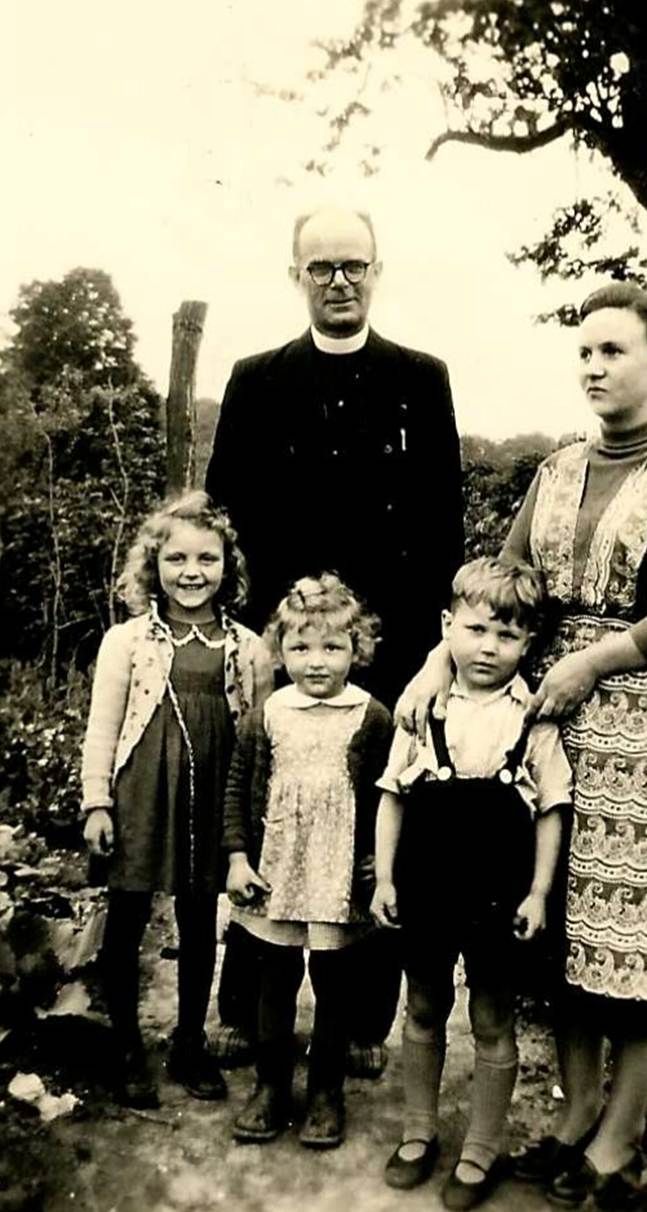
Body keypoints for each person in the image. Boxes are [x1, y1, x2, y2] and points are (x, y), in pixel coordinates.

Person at [397, 284, 647, 1210]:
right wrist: (433, 665)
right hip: (547, 714)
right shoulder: (554, 470)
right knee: (560, 923)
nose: (592, 367)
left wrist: (593, 662)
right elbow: (505, 588)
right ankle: (575, 1108)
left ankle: (617, 1140)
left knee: (636, 935)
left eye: (612, 351)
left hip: (645, 719)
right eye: (583, 352)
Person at [206, 204, 464, 1073]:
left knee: (372, 827)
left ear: (377, 270)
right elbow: (229, 519)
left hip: (384, 654)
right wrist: (252, 635)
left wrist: (431, 656)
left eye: (354, 264)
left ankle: (355, 1025)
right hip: (283, 648)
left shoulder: (420, 378)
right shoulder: (256, 379)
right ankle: (247, 1011)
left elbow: (440, 527)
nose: (339, 281)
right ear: (297, 276)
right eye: (321, 267)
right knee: (270, 808)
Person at [371, 557, 572, 1211]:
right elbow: (391, 796)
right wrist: (384, 878)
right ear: (446, 627)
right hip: (427, 876)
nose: (488, 647)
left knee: (491, 1015)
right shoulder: (421, 706)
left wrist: (538, 891)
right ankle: (418, 1132)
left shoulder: (534, 717)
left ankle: (480, 1149)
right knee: (424, 1005)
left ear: (528, 642)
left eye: (506, 635)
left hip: (498, 885)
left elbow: (551, 809)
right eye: (476, 630)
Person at [80, 490, 273, 1108]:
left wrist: (251, 817)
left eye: (207, 559)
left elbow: (259, 736)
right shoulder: (126, 641)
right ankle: (127, 1045)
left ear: (227, 567)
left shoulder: (248, 647)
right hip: (140, 793)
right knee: (127, 918)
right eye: (177, 559)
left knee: (198, 921)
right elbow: (103, 728)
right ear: (153, 565)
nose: (192, 573)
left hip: (211, 795)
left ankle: (189, 1041)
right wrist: (97, 803)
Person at [223, 574, 392, 1149]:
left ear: (356, 649)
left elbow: (387, 797)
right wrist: (238, 857)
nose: (316, 661)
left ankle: (325, 1091)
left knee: (335, 984)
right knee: (275, 980)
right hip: (278, 868)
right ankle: (271, 1086)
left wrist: (379, 861)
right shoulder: (268, 713)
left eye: (332, 647)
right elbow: (237, 788)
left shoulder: (372, 717)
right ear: (280, 650)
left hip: (336, 875)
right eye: (300, 647)